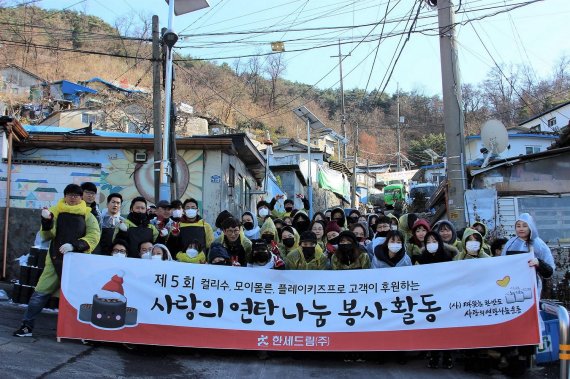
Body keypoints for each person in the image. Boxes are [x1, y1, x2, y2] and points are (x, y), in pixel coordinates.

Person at [14, 184, 100, 337]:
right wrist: (46, 221)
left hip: (78, 262)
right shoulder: (56, 211)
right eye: (70, 195)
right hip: (55, 259)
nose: (73, 198)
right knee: (40, 293)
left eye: (76, 195)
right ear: (65, 196)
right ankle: (27, 325)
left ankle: (82, 331)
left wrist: (75, 245)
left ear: (81, 198)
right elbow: (47, 235)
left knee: (78, 297)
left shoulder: (88, 215)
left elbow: (94, 237)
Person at [416, 231, 455, 369]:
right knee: (432, 328)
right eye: (428, 242)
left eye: (434, 241)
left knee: (446, 329)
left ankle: (447, 355)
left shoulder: (447, 257)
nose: (431, 244)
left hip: (445, 297)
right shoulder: (421, 259)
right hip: (428, 299)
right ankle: (434, 355)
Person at [501, 213, 554, 296]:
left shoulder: (539, 244)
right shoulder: (510, 244)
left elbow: (549, 270)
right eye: (518, 226)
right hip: (512, 285)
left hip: (532, 286)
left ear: (530, 227)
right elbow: (502, 263)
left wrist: (539, 263)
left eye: (524, 226)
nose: (521, 228)